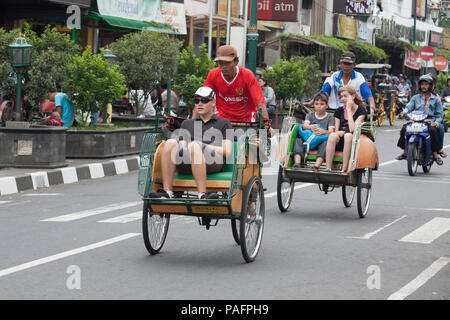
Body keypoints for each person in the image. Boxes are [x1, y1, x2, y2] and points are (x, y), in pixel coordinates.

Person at [149, 87, 233, 200]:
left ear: (213, 102)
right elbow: (182, 146)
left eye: (204, 100)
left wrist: (201, 145)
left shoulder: (224, 123)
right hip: (187, 162)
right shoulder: (187, 124)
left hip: (213, 162)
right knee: (170, 142)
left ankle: (202, 194)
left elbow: (226, 152)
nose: (200, 104)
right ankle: (167, 192)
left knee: (194, 145)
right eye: (197, 101)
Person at [195, 45, 269, 123]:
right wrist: (193, 124)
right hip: (222, 120)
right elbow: (201, 99)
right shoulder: (213, 74)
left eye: (227, 63)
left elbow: (260, 103)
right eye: (220, 63)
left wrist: (266, 125)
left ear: (236, 62)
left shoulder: (247, 75)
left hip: (246, 121)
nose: (223, 67)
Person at [395, 74, 444, 165]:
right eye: (422, 84)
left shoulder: (436, 100)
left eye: (426, 84)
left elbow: (440, 115)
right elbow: (409, 107)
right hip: (417, 121)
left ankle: (435, 154)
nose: (424, 86)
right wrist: (404, 112)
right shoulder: (415, 98)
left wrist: (435, 122)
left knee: (433, 131)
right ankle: (405, 152)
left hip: (430, 121)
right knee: (404, 129)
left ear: (430, 86)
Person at [306, 51, 376, 114]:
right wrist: (311, 102)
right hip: (334, 111)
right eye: (344, 63)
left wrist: (372, 105)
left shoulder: (359, 77)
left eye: (349, 64)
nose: (346, 66)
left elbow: (367, 93)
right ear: (340, 64)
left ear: (354, 65)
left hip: (353, 111)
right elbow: (325, 90)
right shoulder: (335, 76)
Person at [325, 85, 368, 172]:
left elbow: (352, 129)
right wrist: (338, 132)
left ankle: (344, 169)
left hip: (354, 141)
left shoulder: (361, 111)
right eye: (341, 97)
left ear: (353, 96)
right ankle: (328, 168)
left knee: (348, 135)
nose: (343, 99)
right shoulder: (339, 111)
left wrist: (348, 109)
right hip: (340, 140)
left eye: (346, 96)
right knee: (333, 135)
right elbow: (336, 130)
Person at [292, 92, 335, 169]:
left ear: (326, 106)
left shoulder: (330, 117)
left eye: (321, 104)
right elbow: (305, 126)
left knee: (326, 144)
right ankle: (297, 163)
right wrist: (311, 127)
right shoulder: (310, 115)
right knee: (298, 140)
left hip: (320, 140)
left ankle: (316, 166)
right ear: (314, 105)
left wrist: (323, 132)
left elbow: (331, 131)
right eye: (316, 104)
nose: (319, 106)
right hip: (308, 139)